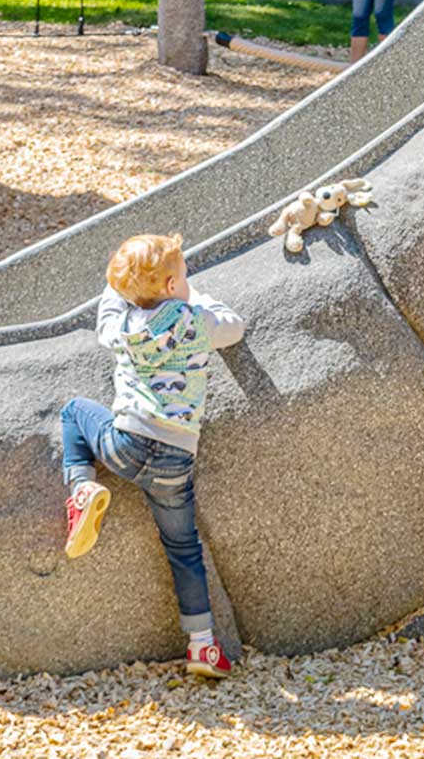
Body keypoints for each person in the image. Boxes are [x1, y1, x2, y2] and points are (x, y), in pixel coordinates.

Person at [59, 233, 245, 679]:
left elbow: (106, 313)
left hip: (124, 444)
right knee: (184, 548)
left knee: (73, 414)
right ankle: (202, 647)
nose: (187, 280)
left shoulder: (123, 328)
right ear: (169, 286)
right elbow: (233, 326)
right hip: (175, 459)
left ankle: (83, 485)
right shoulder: (193, 322)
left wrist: (123, 285)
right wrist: (195, 298)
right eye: (182, 275)